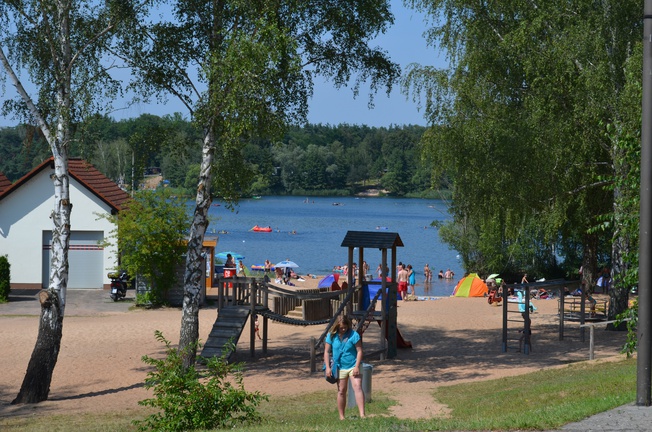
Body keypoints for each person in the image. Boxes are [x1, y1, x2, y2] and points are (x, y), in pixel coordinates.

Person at [324, 315, 365, 420]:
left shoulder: (354, 335)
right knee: (341, 390)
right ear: (336, 327)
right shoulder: (331, 336)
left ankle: (362, 415)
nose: (343, 329)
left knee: (358, 387)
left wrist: (357, 366)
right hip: (340, 367)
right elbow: (326, 352)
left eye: (345, 327)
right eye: (341, 328)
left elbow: (359, 351)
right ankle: (342, 416)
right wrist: (328, 367)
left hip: (353, 365)